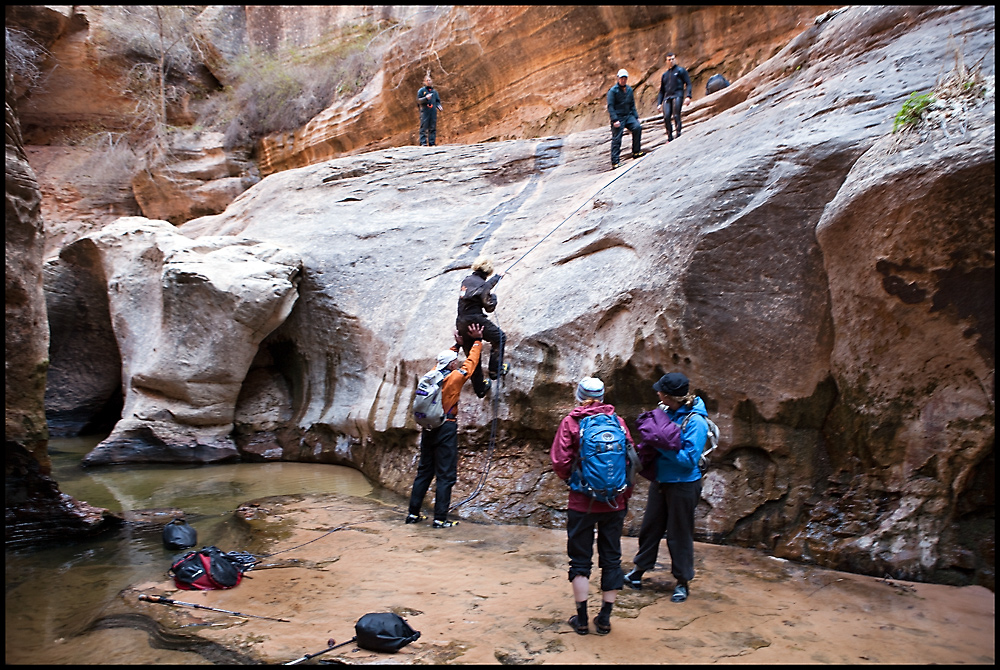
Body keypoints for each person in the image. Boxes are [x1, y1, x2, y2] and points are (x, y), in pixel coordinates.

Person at [550, 377, 636, 636]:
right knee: (612, 558)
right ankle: (605, 618)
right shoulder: (618, 422)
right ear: (603, 396)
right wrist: (623, 496)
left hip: (582, 503)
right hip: (614, 502)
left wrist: (574, 482)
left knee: (580, 560)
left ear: (578, 395)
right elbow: (631, 460)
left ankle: (582, 619)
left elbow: (560, 461)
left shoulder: (571, 422)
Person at [624, 372, 708, 603]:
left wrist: (659, 446)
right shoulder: (666, 412)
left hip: (683, 485)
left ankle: (682, 581)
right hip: (661, 481)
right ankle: (639, 570)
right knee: (650, 528)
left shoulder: (695, 422)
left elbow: (689, 459)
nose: (657, 392)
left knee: (679, 534)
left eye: (660, 390)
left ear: (669, 395)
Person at [405, 323, 485, 528]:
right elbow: (470, 365)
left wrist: (455, 346)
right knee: (445, 475)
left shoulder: (432, 375)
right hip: (446, 428)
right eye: (454, 362)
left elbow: (445, 359)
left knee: (424, 471)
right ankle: (440, 519)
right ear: (451, 365)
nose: (456, 363)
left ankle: (413, 514)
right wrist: (477, 342)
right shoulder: (454, 377)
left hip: (428, 428)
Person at [456, 256, 507, 399]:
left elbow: (482, 287)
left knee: (473, 356)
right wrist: (494, 298)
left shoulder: (466, 281)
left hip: (461, 322)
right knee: (500, 338)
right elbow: (489, 306)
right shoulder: (482, 285)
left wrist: (497, 278)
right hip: (475, 320)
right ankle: (495, 370)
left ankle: (480, 388)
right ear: (488, 271)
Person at [606, 68, 644, 169]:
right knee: (617, 138)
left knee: (637, 128)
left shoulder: (629, 90)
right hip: (618, 117)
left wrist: (636, 117)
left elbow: (632, 105)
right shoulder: (613, 91)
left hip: (628, 115)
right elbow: (610, 106)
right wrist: (614, 120)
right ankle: (615, 162)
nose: (623, 80)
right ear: (618, 78)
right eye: (621, 78)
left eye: (625, 78)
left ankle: (636, 152)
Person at [656, 53, 692, 142]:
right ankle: (669, 137)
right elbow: (661, 91)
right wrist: (659, 103)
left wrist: (688, 96)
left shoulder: (681, 71)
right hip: (667, 97)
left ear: (675, 59)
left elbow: (688, 83)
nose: (671, 61)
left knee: (676, 115)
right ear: (666, 62)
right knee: (666, 117)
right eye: (669, 60)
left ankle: (678, 133)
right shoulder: (665, 75)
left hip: (677, 95)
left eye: (672, 59)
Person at [417, 73, 443, 147]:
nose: (429, 82)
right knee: (424, 127)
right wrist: (425, 98)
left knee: (432, 127)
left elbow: (437, 101)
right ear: (424, 82)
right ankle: (423, 142)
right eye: (427, 80)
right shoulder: (421, 91)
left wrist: (439, 106)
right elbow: (419, 101)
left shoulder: (434, 92)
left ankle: (432, 142)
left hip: (433, 111)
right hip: (425, 111)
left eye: (430, 80)